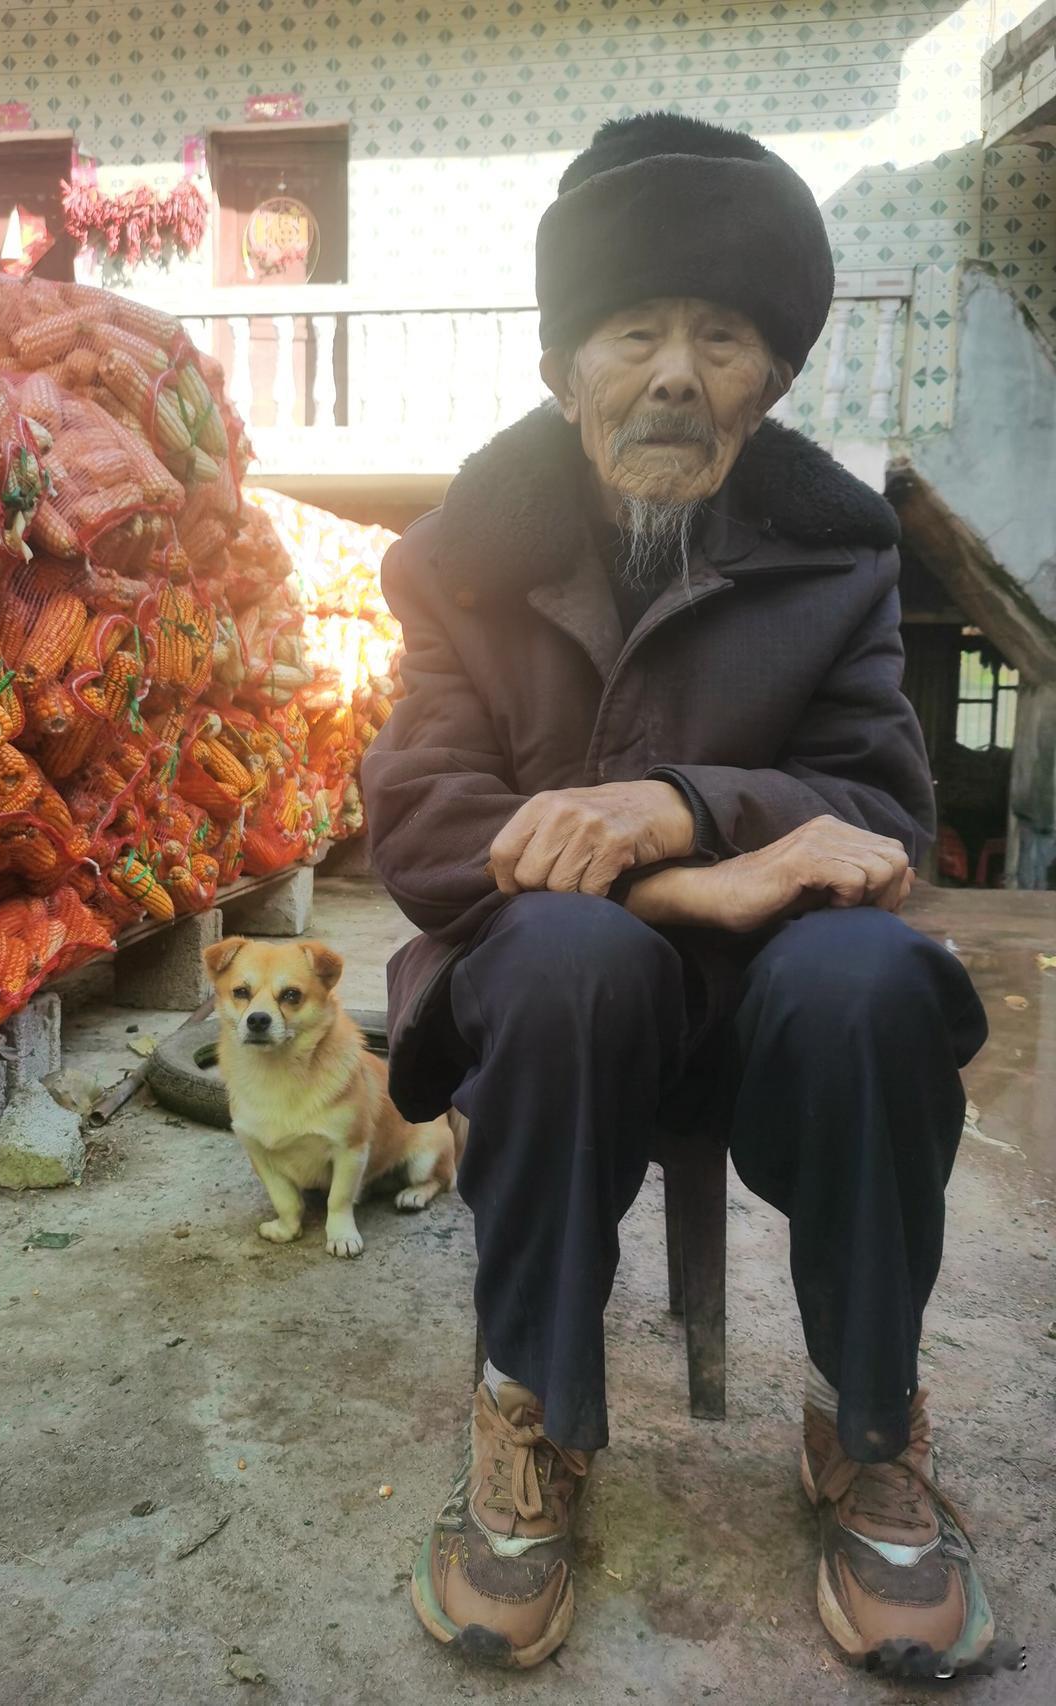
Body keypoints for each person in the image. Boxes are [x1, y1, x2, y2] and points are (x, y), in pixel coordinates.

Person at [361, 114, 1010, 1680]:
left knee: (871, 980)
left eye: (720, 338)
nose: (672, 373)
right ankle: (528, 1403)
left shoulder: (840, 557)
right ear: (561, 370)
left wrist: (672, 804)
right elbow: (430, 827)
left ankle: (868, 1425)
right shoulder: (463, 558)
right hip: (556, 1012)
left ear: (770, 381)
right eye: (633, 332)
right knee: (566, 957)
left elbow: (881, 820)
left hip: (773, 1022)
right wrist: (713, 882)